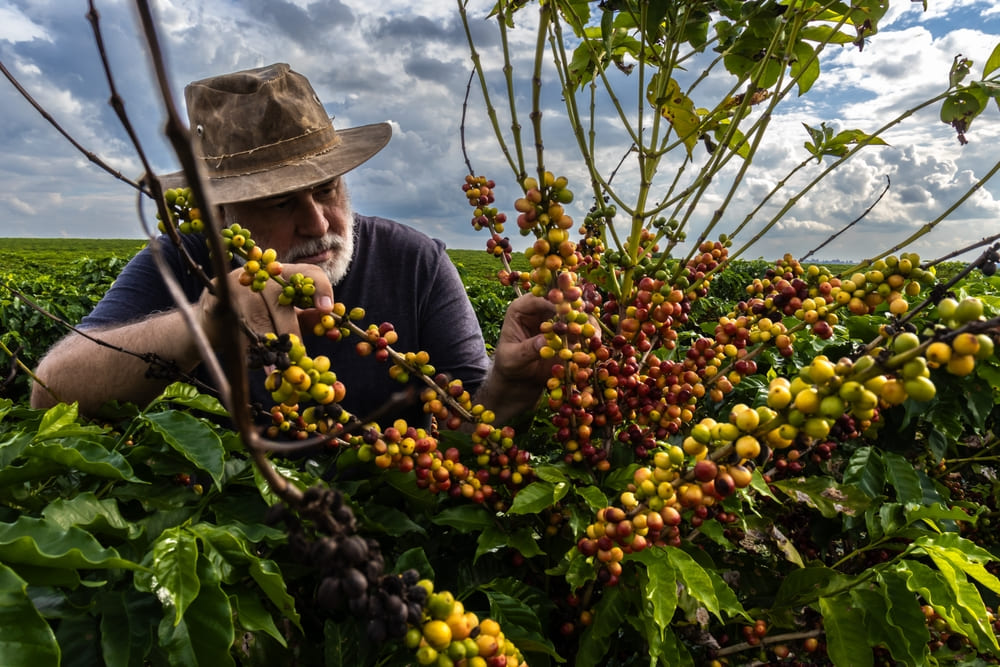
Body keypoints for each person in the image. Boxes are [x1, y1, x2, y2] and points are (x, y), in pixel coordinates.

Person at [30, 63, 554, 429]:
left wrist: (509, 387)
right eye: (279, 203)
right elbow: (49, 391)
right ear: (221, 214)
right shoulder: (182, 259)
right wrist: (204, 323)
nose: (317, 222)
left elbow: (468, 438)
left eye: (327, 189)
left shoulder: (415, 262)